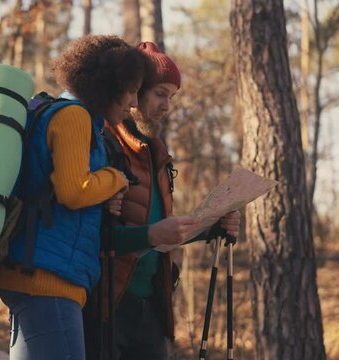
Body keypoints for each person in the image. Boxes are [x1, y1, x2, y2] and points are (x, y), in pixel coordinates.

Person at [0, 35, 151, 360]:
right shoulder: (74, 117)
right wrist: (115, 178)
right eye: (131, 89)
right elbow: (74, 191)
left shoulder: (64, 114)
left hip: (36, 272)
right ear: (107, 84)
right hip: (49, 278)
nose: (134, 101)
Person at [85, 41, 240, 360]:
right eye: (160, 94)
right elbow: (93, 236)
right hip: (107, 305)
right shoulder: (105, 145)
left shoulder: (157, 156)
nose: (167, 106)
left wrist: (213, 228)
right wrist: (152, 235)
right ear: (134, 90)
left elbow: (162, 233)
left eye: (171, 97)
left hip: (152, 307)